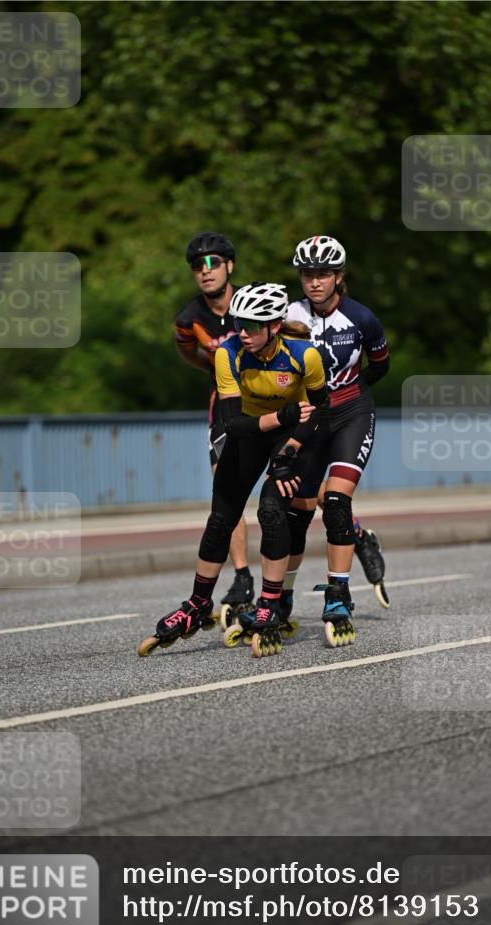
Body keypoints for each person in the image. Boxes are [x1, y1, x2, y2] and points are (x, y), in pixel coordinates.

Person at [138, 282, 328, 659]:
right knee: (221, 517)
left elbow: (319, 412)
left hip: (292, 437)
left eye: (253, 324)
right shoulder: (229, 354)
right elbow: (229, 424)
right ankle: (197, 604)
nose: (242, 331)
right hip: (255, 428)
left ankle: (270, 603)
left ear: (274, 326)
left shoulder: (304, 355)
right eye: (239, 322)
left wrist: (290, 449)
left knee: (272, 511)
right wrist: (281, 415)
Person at [282, 235, 391, 646]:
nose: (314, 282)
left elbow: (380, 365)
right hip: (311, 418)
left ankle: (339, 594)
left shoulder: (362, 318)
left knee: (336, 502)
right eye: (307, 274)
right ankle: (281, 596)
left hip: (352, 412)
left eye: (323, 274)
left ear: (338, 277)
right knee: (297, 510)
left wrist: (350, 392)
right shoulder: (288, 315)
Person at [174, 232, 254, 620]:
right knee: (227, 490)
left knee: (299, 489)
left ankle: (354, 529)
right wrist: (213, 368)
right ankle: (242, 577)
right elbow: (188, 353)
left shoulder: (252, 303)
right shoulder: (189, 319)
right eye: (197, 267)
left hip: (269, 398)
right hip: (224, 406)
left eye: (213, 264)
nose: (205, 272)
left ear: (229, 266)